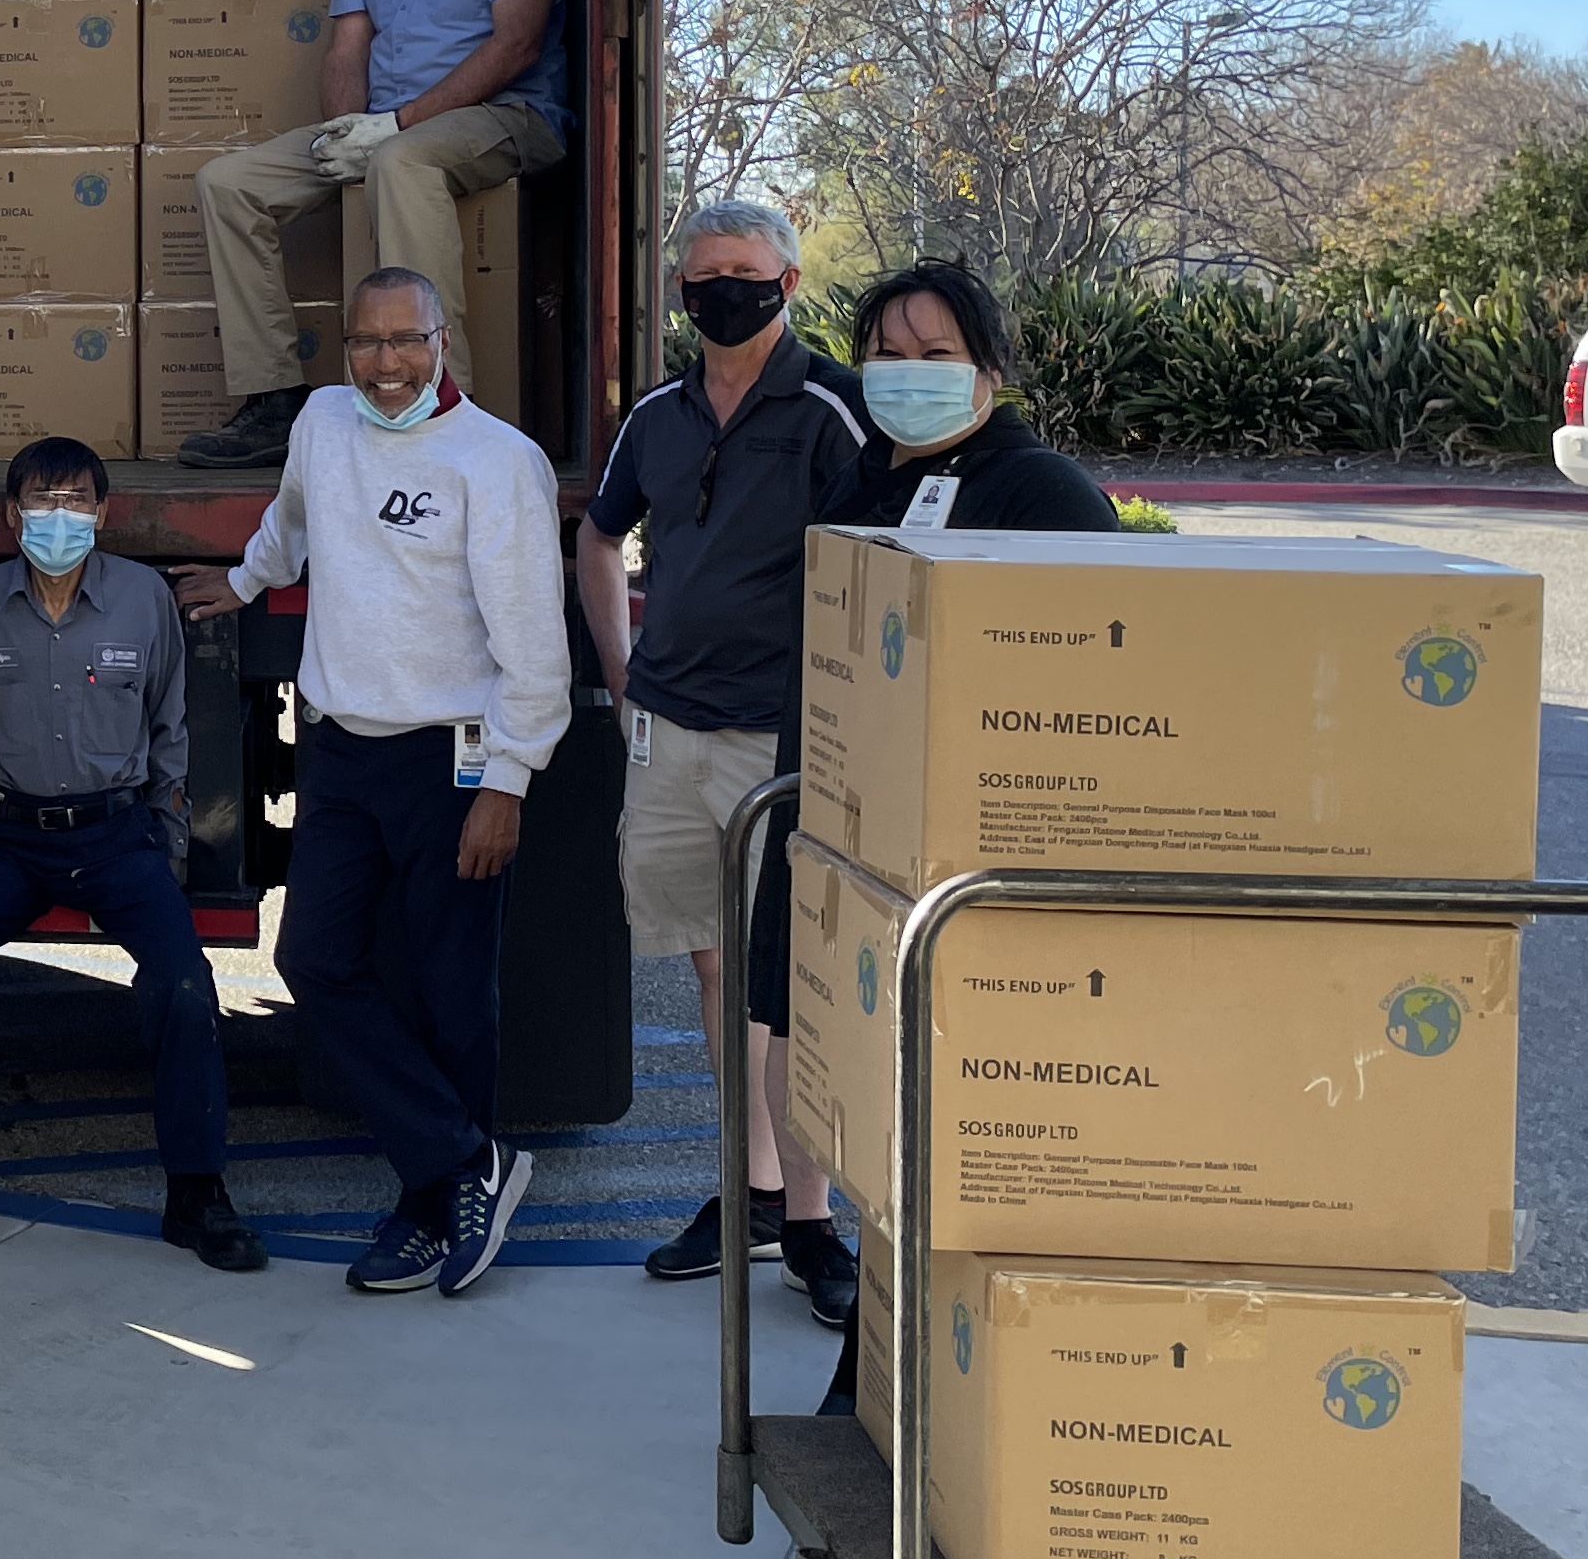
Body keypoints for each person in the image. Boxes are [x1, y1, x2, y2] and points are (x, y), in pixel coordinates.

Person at [172, 268, 571, 1296]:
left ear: (445, 340)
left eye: (406, 341)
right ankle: (462, 1160)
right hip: (342, 744)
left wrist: (509, 782)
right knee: (315, 957)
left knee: (448, 988)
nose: (385, 365)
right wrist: (249, 576)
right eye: (365, 343)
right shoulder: (320, 422)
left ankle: (430, 1200)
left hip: (452, 754)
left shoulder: (497, 462)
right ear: (342, 346)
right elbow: (293, 519)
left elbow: (534, 640)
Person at [812, 256, 1120, 1413]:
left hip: (990, 894)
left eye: (935, 356)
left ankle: (968, 1407)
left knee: (977, 1159)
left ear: (989, 371)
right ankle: (874, 1391)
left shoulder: (1041, 495)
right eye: (886, 353)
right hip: (877, 872)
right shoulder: (865, 476)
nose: (907, 375)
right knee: (894, 1160)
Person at [0, 438, 266, 1273]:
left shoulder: (144, 600)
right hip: (7, 836)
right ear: (12, 516)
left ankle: (198, 1193)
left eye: (77, 502)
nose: (59, 518)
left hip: (117, 835)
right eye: (42, 502)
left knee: (184, 984)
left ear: (103, 513)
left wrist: (168, 842)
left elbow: (169, 730)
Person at [573, 198, 871, 1328]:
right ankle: (745, 1197)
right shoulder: (657, 414)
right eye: (702, 276)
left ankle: (811, 1219)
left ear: (789, 283)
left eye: (744, 273)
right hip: (668, 731)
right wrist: (620, 664)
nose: (721, 293)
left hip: (780, 741)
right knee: (711, 971)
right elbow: (601, 536)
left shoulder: (837, 410)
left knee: (790, 983)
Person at [177, 0, 569, 467]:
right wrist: (343, 131)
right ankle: (272, 400)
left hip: (508, 115)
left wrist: (394, 126)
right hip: (388, 123)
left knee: (400, 161)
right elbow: (347, 48)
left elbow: (518, 44)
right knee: (228, 186)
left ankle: (442, 404)